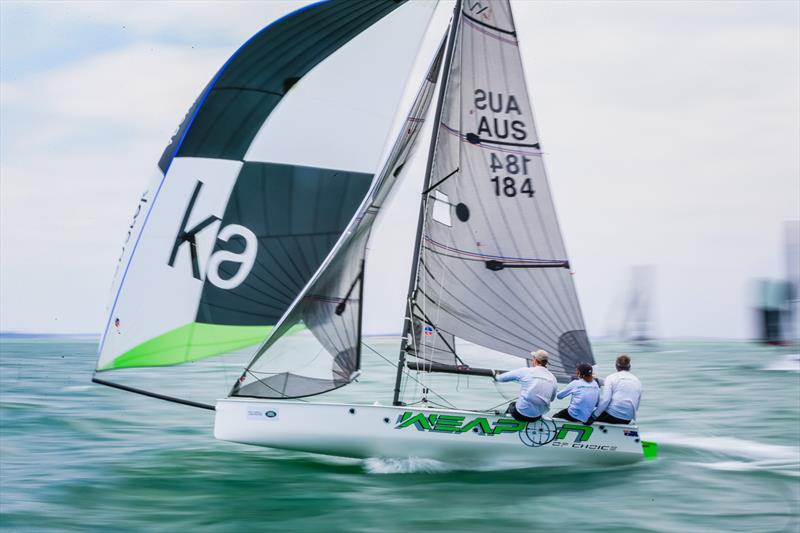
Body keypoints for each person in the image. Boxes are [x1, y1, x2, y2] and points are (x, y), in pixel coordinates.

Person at [493, 349, 557, 422]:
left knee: (512, 405)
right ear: (546, 362)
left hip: (521, 415)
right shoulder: (553, 377)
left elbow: (501, 378)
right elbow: (551, 399)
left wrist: (496, 376)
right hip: (537, 416)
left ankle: (506, 426)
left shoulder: (526, 371)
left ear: (535, 360)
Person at [592, 354, 641, 424]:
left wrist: (594, 415)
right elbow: (637, 404)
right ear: (629, 367)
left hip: (612, 416)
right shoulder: (637, 380)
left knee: (594, 402)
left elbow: (606, 400)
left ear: (616, 366)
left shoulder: (611, 378)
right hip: (628, 418)